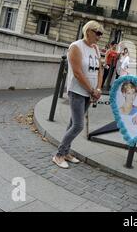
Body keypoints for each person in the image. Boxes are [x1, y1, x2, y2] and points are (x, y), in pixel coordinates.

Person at [53, 21, 104, 169]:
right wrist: (91, 90)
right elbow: (77, 73)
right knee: (78, 125)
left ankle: (66, 152)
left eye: (101, 34)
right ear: (88, 31)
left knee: (72, 123)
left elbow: (99, 70)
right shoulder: (76, 47)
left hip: (90, 92)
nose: (100, 37)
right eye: (98, 33)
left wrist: (99, 89)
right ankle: (59, 155)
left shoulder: (95, 48)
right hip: (77, 91)